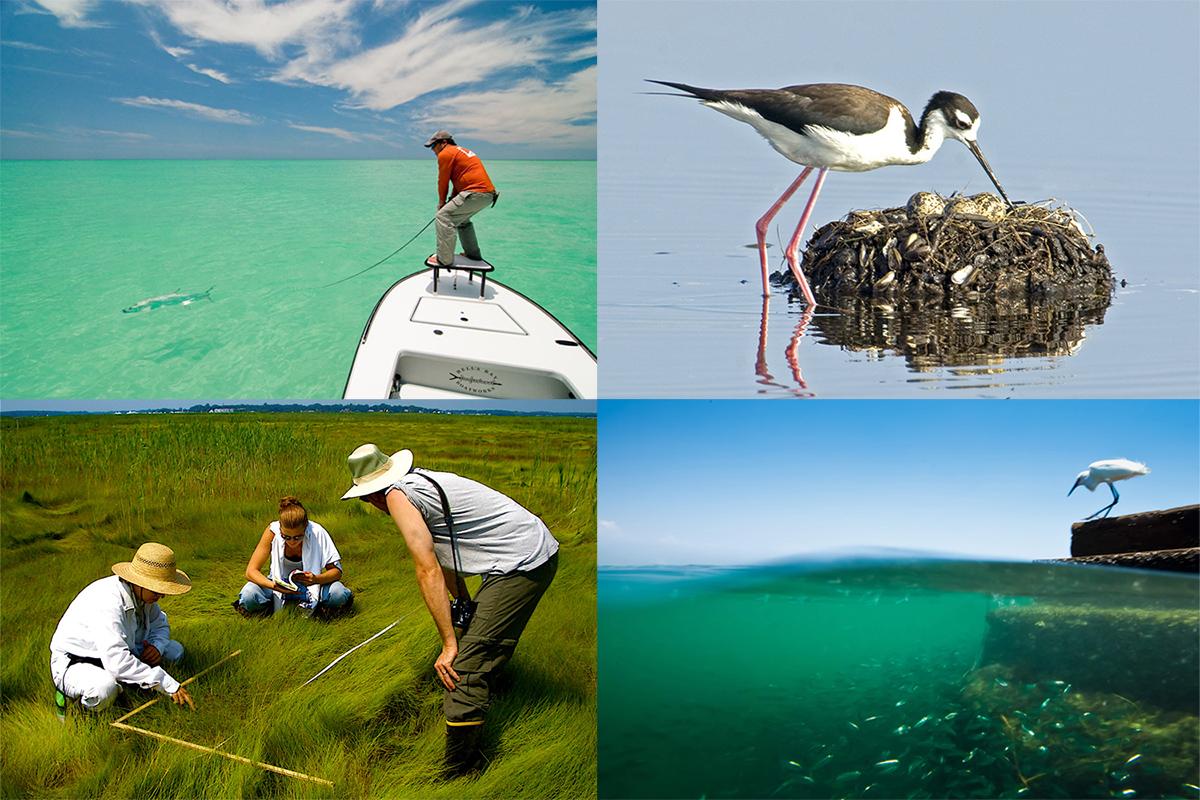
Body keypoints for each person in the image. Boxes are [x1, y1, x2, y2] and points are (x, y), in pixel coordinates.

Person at [341, 444, 558, 776]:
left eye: (366, 498)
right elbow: (446, 556)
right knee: (473, 635)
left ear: (374, 494)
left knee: (463, 670)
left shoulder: (398, 496)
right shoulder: (421, 482)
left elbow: (426, 569)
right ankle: (487, 690)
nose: (370, 504)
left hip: (523, 561)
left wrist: (449, 644)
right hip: (521, 553)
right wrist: (464, 604)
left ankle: (460, 772)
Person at [49, 542, 195, 715]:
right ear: (141, 583)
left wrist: (157, 647)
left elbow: (160, 624)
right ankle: (81, 711)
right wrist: (168, 685)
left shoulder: (144, 596)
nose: (161, 595)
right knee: (104, 689)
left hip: (117, 654)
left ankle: (129, 685)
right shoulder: (108, 602)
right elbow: (117, 661)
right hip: (77, 661)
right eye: (157, 590)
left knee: (175, 651)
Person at [236, 496, 352, 617]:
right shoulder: (272, 532)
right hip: (277, 584)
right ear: (280, 528)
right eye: (286, 537)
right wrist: (274, 586)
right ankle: (267, 611)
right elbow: (250, 571)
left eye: (298, 537)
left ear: (306, 528)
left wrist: (316, 579)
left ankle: (321, 610)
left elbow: (336, 571)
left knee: (338, 593)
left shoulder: (317, 532)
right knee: (249, 594)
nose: (291, 542)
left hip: (312, 584)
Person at [423, 130, 498, 268]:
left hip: (475, 193)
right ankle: (473, 255)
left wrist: (441, 203)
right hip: (487, 194)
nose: (433, 150)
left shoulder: (445, 153)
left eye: (434, 146)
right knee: (462, 220)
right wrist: (451, 199)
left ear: (444, 143)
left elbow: (443, 181)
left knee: (443, 216)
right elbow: (460, 180)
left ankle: (444, 260)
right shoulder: (460, 151)